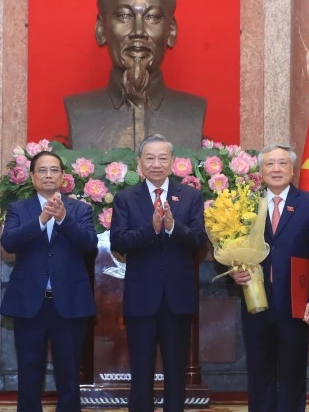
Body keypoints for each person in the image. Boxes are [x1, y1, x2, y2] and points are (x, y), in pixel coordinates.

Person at [109, 134, 208, 412]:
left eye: (162, 158)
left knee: (176, 370)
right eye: (149, 158)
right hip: (142, 297)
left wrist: (173, 226)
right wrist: (151, 229)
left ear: (173, 162)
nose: (156, 164)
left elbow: (199, 241)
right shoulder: (126, 198)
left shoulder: (190, 196)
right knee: (141, 369)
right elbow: (118, 242)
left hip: (178, 296)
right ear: (139, 163)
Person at [228, 144, 309, 412]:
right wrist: (233, 275)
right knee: (259, 369)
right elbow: (232, 250)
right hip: (255, 300)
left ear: (293, 169)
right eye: (270, 164)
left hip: (295, 302)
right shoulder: (245, 204)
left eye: (282, 163)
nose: (276, 169)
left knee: (292, 370)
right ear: (260, 170)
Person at [64, 0, 206, 151]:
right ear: (101, 29)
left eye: (152, 17)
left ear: (170, 31)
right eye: (124, 16)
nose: (138, 31)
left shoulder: (192, 110)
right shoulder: (79, 111)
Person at [0, 150, 98, 412]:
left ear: (63, 177)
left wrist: (63, 219)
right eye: (42, 170)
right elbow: (8, 242)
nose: (48, 175)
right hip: (29, 302)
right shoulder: (19, 209)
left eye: (54, 170)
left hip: (70, 302)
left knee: (69, 372)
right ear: (32, 177)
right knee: (29, 371)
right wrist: (41, 221)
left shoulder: (80, 209)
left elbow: (89, 245)